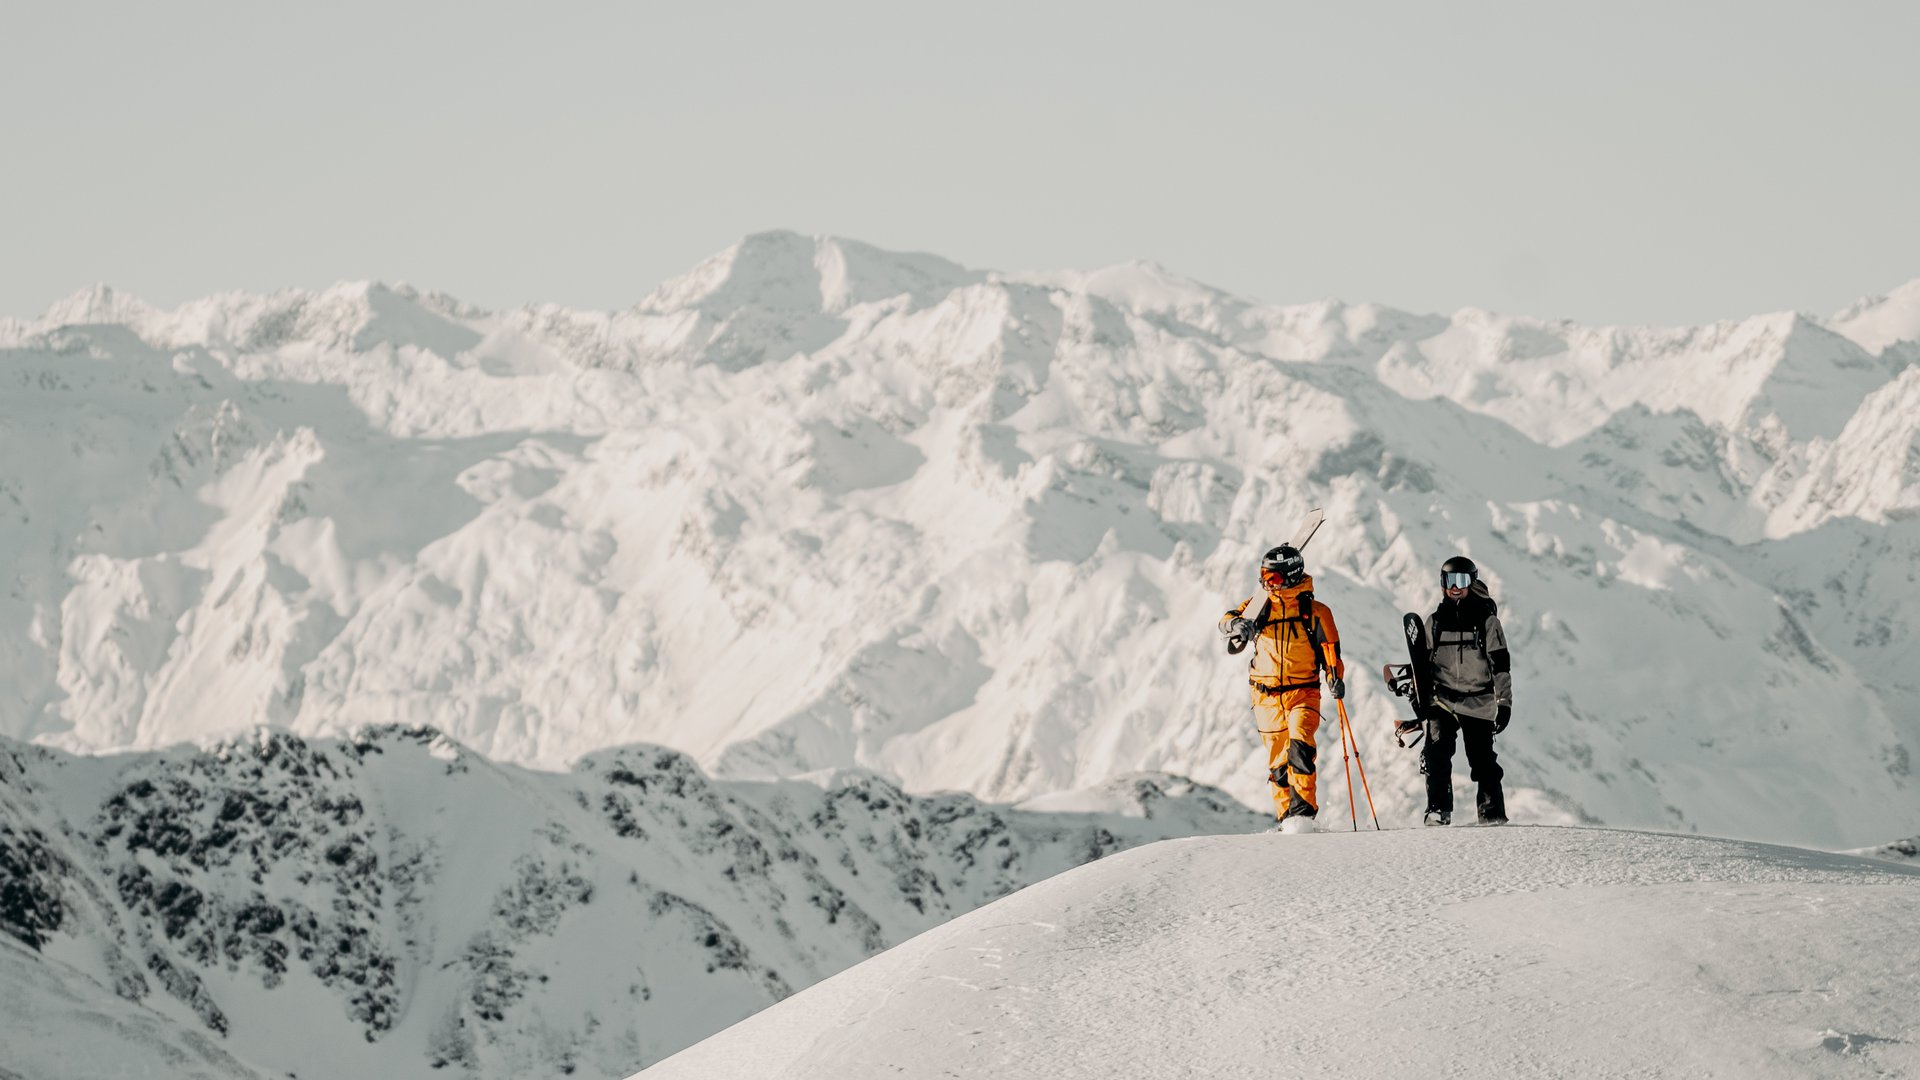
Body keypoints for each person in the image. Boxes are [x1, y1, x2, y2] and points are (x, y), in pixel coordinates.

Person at [1220, 544, 1346, 833]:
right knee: (1278, 763)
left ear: (1290, 576)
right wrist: (1238, 625)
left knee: (1300, 748)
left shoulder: (1316, 612)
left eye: (1273, 578)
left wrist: (1334, 677)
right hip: (1265, 696)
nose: (1267, 583)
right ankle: (1287, 820)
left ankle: (1303, 817)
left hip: (1303, 692)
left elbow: (1331, 652)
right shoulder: (1258, 607)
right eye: (1263, 576)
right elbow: (1224, 622)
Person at [1420, 555, 1512, 825]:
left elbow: (1500, 665)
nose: (1454, 587)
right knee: (1436, 753)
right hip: (1444, 700)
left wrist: (1504, 702)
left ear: (1471, 583)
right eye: (1449, 580)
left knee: (1483, 761)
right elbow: (1423, 664)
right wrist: (1420, 696)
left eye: (1460, 580)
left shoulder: (1487, 621)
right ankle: (1438, 810)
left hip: (1479, 701)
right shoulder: (1435, 622)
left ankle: (1492, 816)